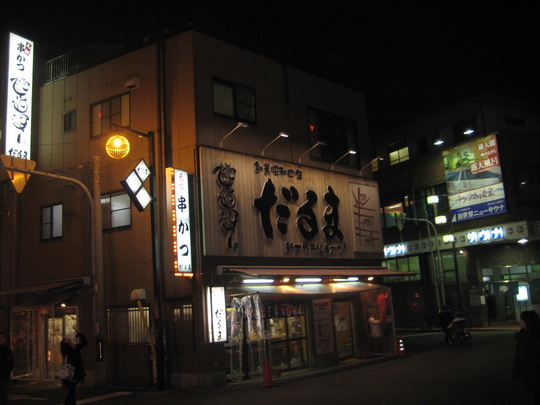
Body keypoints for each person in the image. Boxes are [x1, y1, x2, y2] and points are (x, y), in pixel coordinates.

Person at [513, 311, 540, 404]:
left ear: (528, 321)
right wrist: (516, 371)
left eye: (522, 320)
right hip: (527, 373)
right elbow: (518, 355)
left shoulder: (536, 336)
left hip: (535, 373)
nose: (521, 322)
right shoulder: (523, 336)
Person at [60, 331, 87, 405]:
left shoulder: (73, 346)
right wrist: (71, 345)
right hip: (70, 371)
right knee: (72, 389)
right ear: (64, 342)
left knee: (72, 389)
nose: (67, 338)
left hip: (75, 370)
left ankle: (71, 402)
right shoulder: (65, 347)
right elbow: (69, 351)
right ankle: (69, 402)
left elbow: (84, 343)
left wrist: (79, 334)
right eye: (65, 339)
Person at [0, 332, 14, 405]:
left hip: (4, 374)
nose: (2, 340)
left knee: (4, 392)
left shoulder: (7, 349)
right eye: (0, 338)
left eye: (3, 338)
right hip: (3, 373)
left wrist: (9, 370)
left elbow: (11, 360)